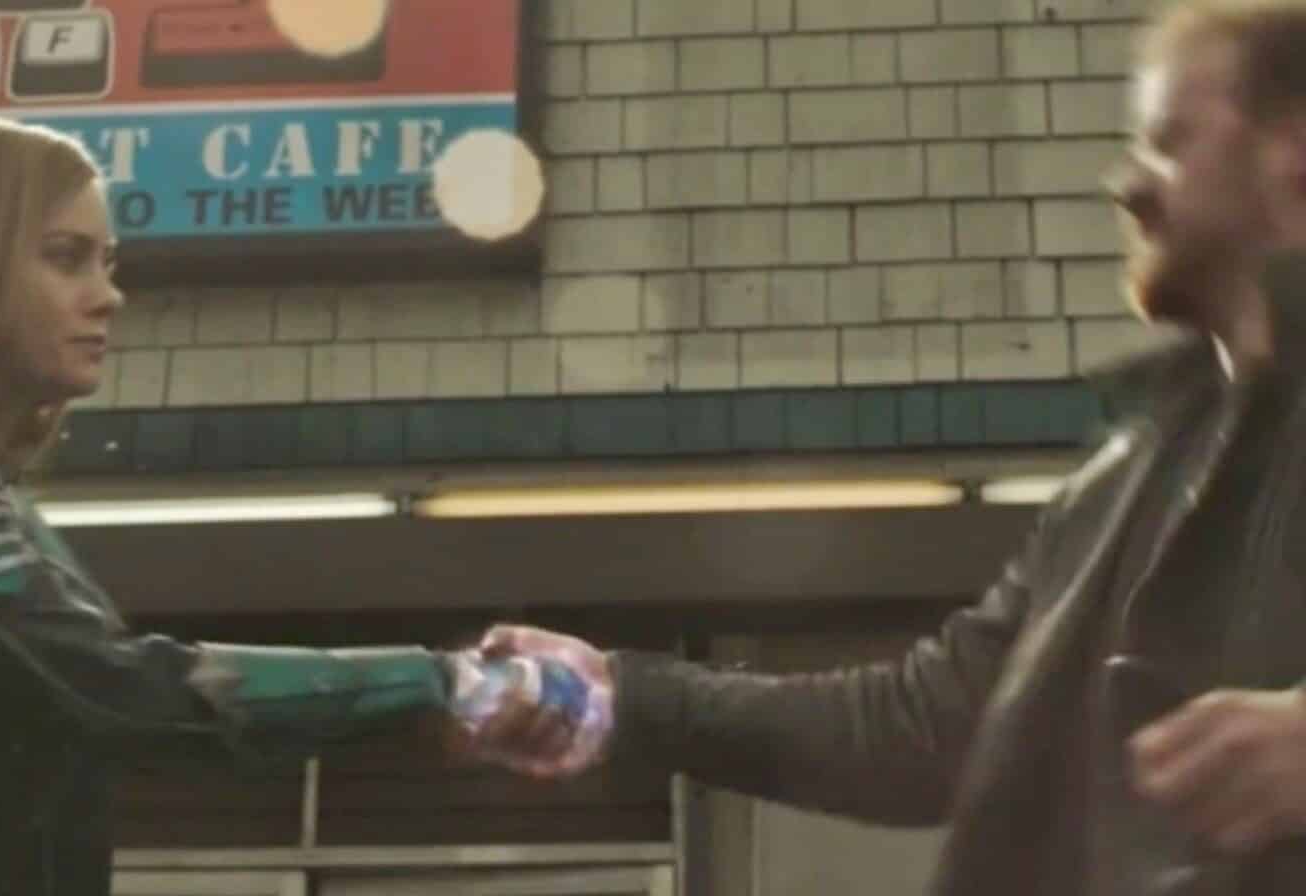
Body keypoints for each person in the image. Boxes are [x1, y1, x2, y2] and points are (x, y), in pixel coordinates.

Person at [469, 1, 1306, 892]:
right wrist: (624, 695)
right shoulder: (1126, 473)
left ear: (1292, 152)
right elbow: (924, 726)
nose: (1127, 184)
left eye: (1171, 142)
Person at [0, 113, 571, 896]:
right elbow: (111, 686)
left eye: (107, 263)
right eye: (65, 258)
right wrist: (443, 683)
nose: (108, 296)